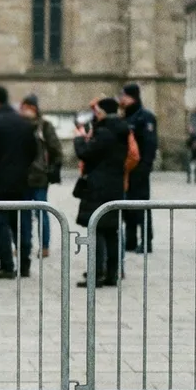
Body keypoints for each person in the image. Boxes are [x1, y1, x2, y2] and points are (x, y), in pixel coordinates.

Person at [0, 86, 38, 279]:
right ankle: (25, 264)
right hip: (21, 182)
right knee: (21, 223)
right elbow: (33, 151)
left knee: (0, 224)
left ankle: (7, 266)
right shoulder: (23, 123)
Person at [74, 98, 131, 288]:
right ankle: (112, 274)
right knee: (111, 230)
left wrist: (79, 138)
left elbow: (86, 153)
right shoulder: (120, 129)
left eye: (98, 111)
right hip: (114, 184)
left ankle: (97, 274)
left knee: (97, 228)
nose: (95, 114)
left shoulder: (105, 132)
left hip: (99, 186)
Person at [20, 94, 63, 260]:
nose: (23, 111)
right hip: (22, 177)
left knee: (41, 212)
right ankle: (25, 245)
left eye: (26, 107)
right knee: (23, 214)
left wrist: (50, 169)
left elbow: (56, 149)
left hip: (39, 176)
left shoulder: (44, 126)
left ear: (33, 108)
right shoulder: (18, 125)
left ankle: (44, 246)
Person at [120, 83, 159, 253]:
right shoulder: (125, 117)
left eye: (124, 96)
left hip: (140, 168)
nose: (121, 99)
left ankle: (146, 240)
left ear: (132, 97)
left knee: (142, 205)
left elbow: (150, 144)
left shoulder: (145, 117)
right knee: (127, 204)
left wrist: (145, 167)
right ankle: (131, 240)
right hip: (127, 169)